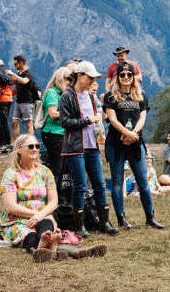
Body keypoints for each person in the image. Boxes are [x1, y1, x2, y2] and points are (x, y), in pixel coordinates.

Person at [0, 134, 106, 262]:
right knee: (30, 235)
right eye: (30, 146)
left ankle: (43, 247)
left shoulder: (45, 172)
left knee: (47, 227)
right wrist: (36, 215)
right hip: (17, 220)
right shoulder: (10, 174)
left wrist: (40, 215)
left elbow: (53, 201)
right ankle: (56, 248)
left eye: (37, 146)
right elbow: (11, 207)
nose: (35, 149)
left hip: (43, 216)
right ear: (18, 149)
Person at [60, 61, 118, 237]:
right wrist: (87, 121)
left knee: (99, 185)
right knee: (79, 186)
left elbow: (96, 120)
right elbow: (65, 122)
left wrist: (98, 129)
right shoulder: (67, 96)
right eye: (90, 77)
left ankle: (104, 223)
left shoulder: (92, 97)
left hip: (93, 146)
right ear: (79, 76)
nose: (93, 81)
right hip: (75, 148)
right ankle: (80, 226)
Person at [103, 62, 164, 229]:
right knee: (117, 182)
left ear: (133, 77)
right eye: (122, 75)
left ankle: (150, 217)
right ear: (117, 77)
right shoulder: (110, 96)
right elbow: (112, 119)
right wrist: (126, 133)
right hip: (116, 143)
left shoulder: (141, 95)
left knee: (143, 180)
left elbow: (142, 118)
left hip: (135, 143)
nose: (126, 77)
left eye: (129, 75)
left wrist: (134, 133)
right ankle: (121, 219)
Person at [39, 67, 72, 181]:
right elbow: (53, 114)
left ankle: (57, 191)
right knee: (56, 168)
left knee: (61, 167)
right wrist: (72, 113)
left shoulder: (64, 94)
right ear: (60, 78)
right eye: (69, 79)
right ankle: (51, 190)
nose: (70, 82)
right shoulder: (52, 93)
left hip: (61, 133)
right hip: (53, 133)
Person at [9, 54, 36, 140]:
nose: (14, 65)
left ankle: (30, 142)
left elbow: (24, 81)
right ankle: (14, 143)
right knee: (14, 122)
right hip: (18, 102)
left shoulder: (28, 74)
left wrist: (13, 74)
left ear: (21, 63)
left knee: (29, 123)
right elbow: (17, 87)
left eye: (15, 64)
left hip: (27, 102)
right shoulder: (19, 73)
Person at [0, 59, 15, 152]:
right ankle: (5, 142)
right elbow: (15, 80)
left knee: (4, 122)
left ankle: (7, 142)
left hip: (0, 100)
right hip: (9, 100)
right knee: (5, 121)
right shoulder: (8, 73)